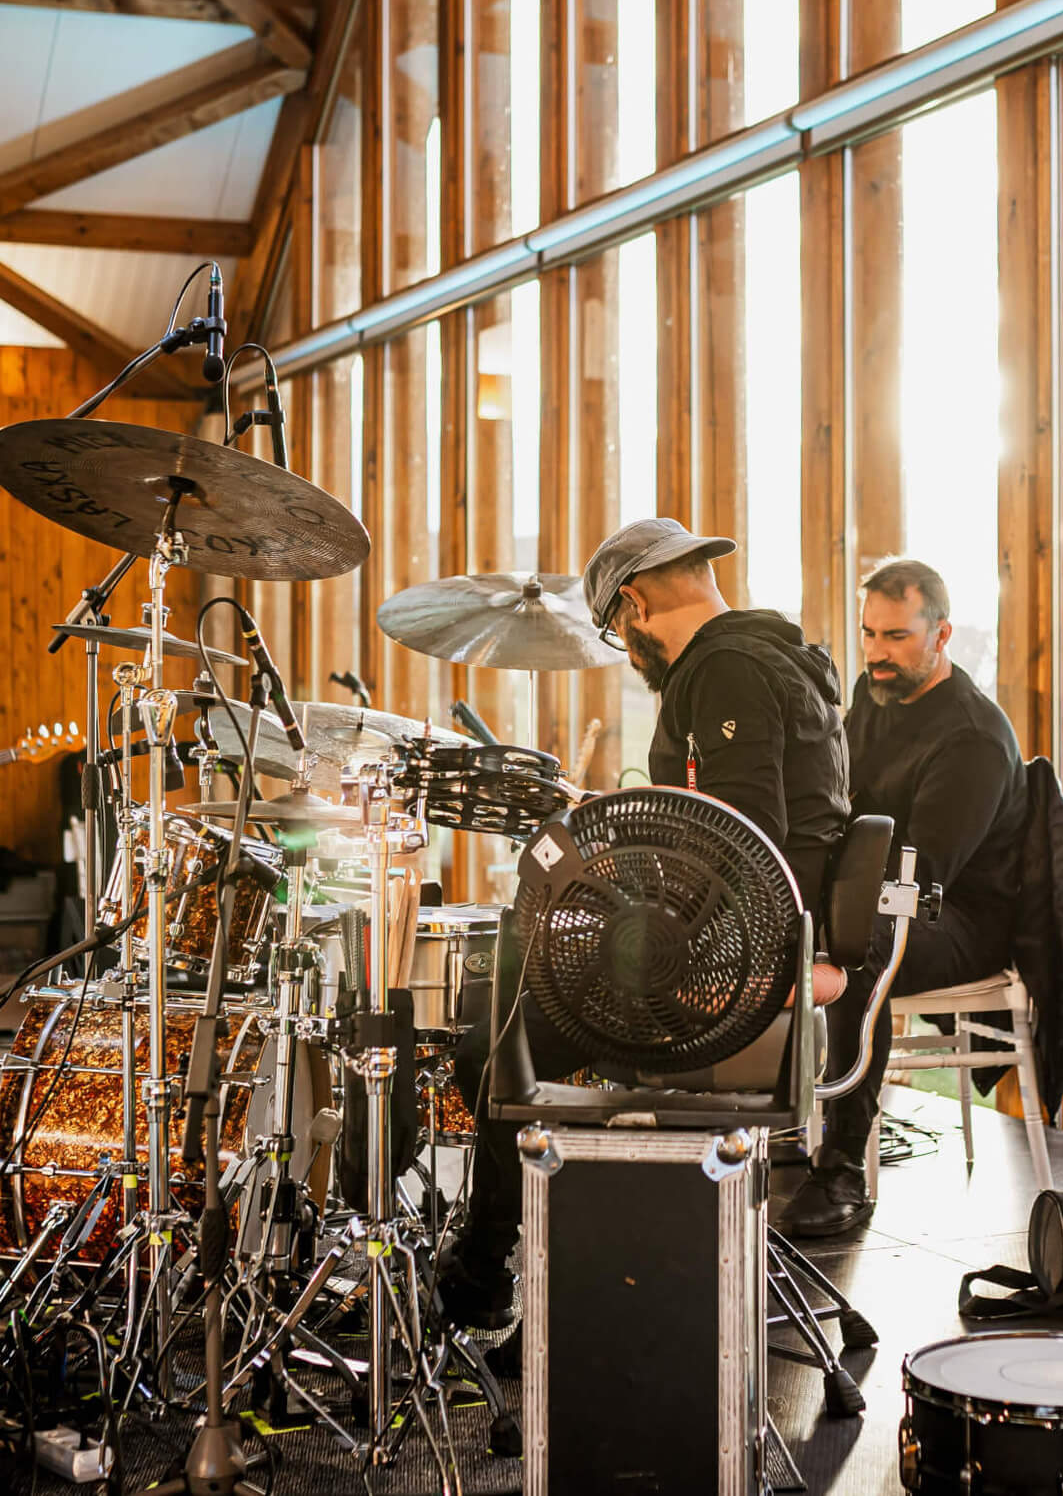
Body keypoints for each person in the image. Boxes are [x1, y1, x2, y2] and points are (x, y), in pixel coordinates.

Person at [440, 518, 853, 1328]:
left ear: (632, 605)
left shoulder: (723, 670)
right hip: (767, 942)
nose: (628, 656)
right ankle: (534, 1250)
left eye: (616, 633)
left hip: (733, 964)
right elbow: (735, 830)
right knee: (519, 993)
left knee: (494, 1031)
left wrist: (618, 862)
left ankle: (487, 1271)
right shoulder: (776, 657)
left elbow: (743, 843)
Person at [784, 558, 1032, 1237]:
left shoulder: (973, 737)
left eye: (896, 636)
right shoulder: (878, 692)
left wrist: (835, 895)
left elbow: (921, 877)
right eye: (869, 633)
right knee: (787, 917)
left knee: (860, 941)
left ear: (942, 634)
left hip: (957, 918)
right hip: (881, 891)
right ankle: (782, 1120)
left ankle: (842, 1168)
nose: (876, 652)